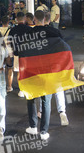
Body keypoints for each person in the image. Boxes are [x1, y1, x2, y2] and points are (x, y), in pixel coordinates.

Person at [24, 11, 60, 140]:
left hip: (31, 71)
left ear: (34, 19)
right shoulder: (54, 33)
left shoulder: (27, 34)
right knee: (46, 101)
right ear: (45, 19)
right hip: (48, 71)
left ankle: (33, 127)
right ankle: (44, 132)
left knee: (31, 98)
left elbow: (20, 52)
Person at [8, 11, 31, 98]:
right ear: (25, 18)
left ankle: (21, 90)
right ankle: (26, 88)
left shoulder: (13, 30)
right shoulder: (29, 29)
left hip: (17, 53)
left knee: (19, 72)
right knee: (26, 71)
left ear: (16, 19)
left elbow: (9, 42)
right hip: (27, 53)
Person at [0, 16, 13, 92]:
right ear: (8, 22)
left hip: (0, 50)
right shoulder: (10, 30)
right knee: (10, 68)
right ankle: (9, 86)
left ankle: (2, 86)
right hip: (9, 50)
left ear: (1, 22)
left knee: (1, 68)